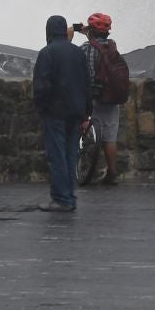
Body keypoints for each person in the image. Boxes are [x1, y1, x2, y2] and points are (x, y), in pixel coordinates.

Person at [32, 14, 91, 212]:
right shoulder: (77, 53)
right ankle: (69, 197)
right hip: (76, 112)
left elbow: (41, 86)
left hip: (55, 113)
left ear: (49, 31)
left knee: (57, 155)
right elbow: (86, 84)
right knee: (70, 154)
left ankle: (61, 199)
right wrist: (86, 113)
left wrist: (41, 108)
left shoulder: (47, 53)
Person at [77, 12, 125, 186]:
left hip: (92, 98)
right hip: (112, 97)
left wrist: (79, 30)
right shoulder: (112, 46)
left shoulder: (85, 48)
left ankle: (86, 170)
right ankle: (112, 174)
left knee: (87, 135)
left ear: (91, 30)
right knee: (109, 138)